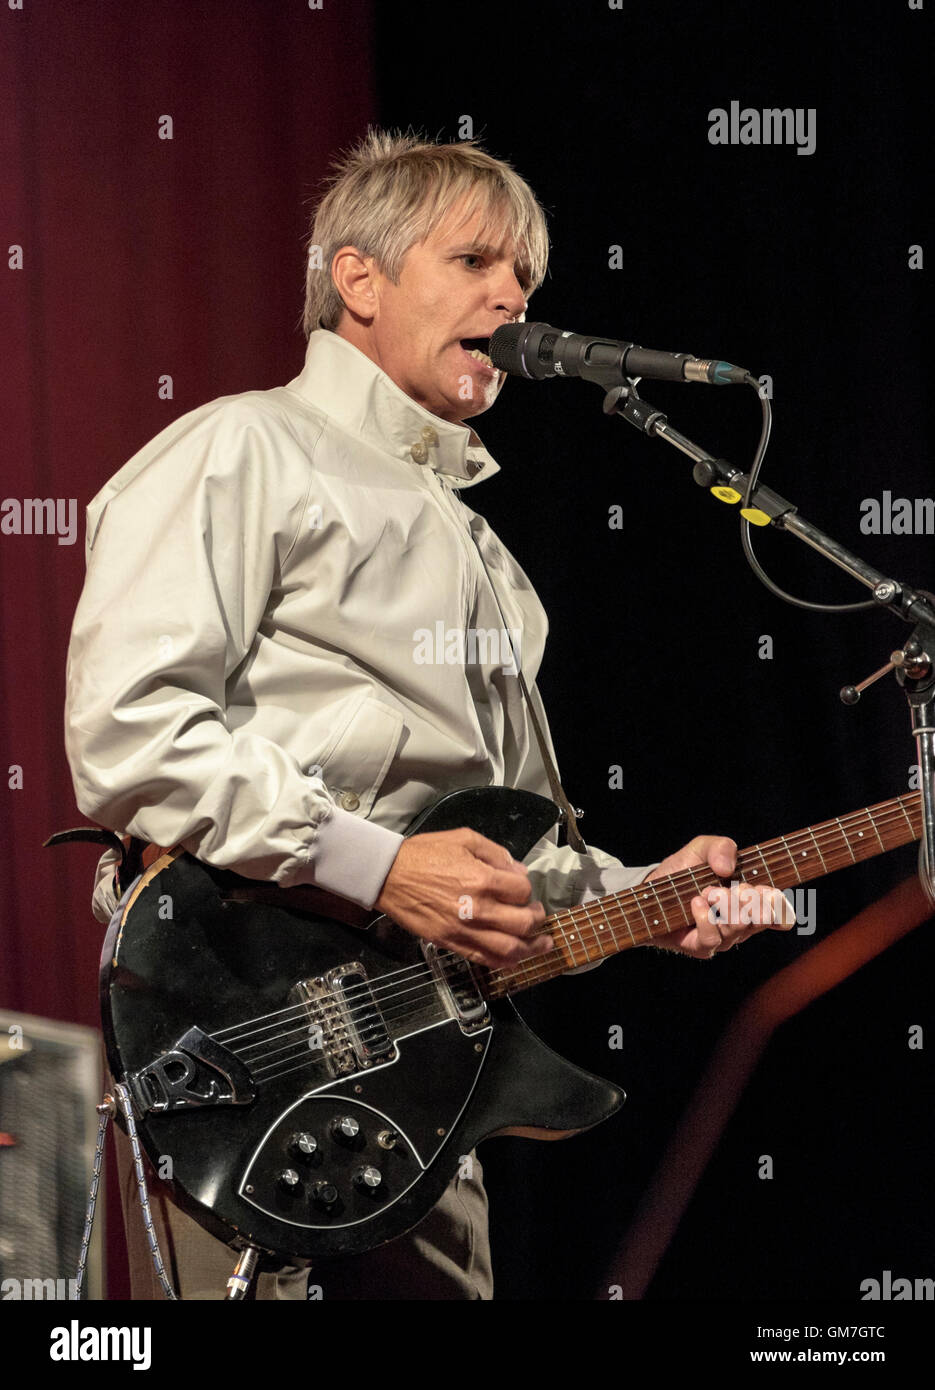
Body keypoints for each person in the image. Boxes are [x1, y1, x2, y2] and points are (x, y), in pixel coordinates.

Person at [64, 129, 794, 1301]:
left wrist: (644, 895)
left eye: (526, 278)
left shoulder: (490, 563)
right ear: (358, 279)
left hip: (421, 1083)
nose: (511, 297)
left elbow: (497, 859)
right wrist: (373, 864)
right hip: (246, 1034)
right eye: (474, 262)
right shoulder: (240, 448)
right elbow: (130, 736)